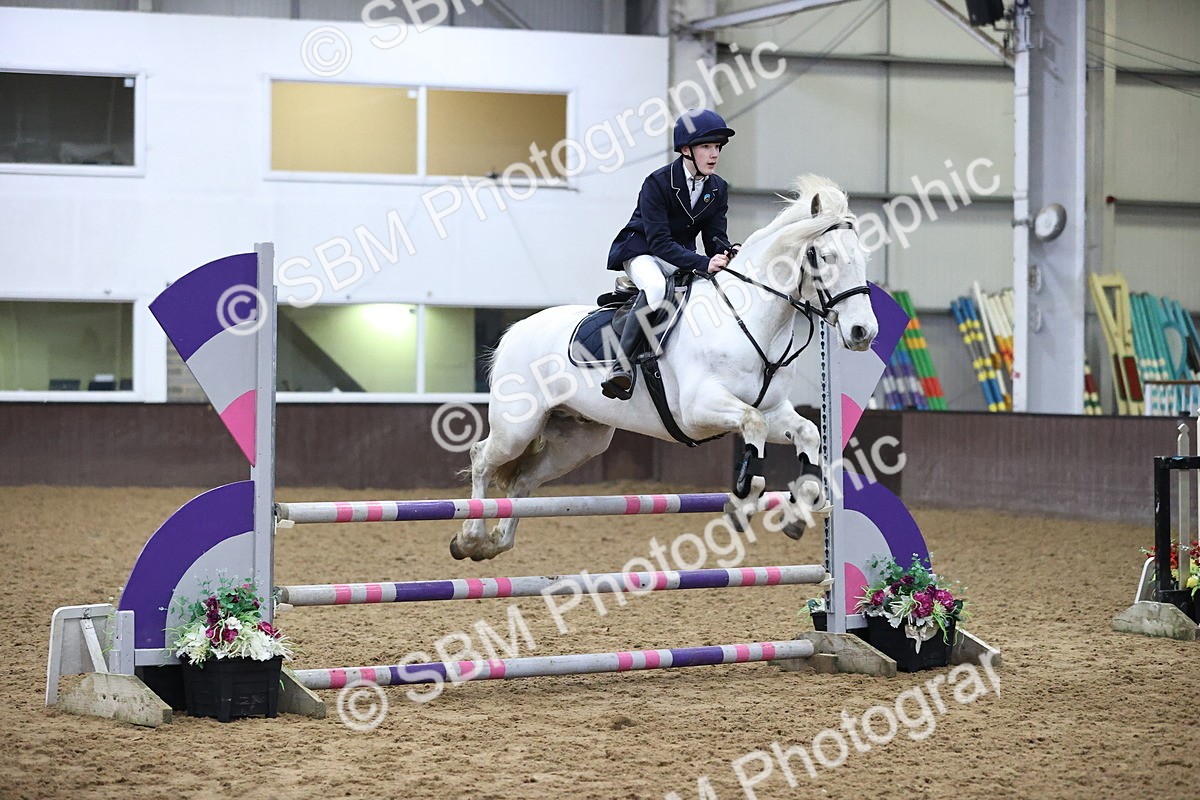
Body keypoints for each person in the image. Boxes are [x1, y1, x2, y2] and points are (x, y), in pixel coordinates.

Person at [600, 108, 736, 401]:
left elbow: (714, 238)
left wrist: (727, 251)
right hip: (643, 251)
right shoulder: (658, 182)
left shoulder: (718, 188)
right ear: (686, 150)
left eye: (717, 147)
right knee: (658, 288)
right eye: (706, 147)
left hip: (679, 255)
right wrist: (703, 262)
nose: (714, 154)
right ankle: (619, 366)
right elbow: (659, 242)